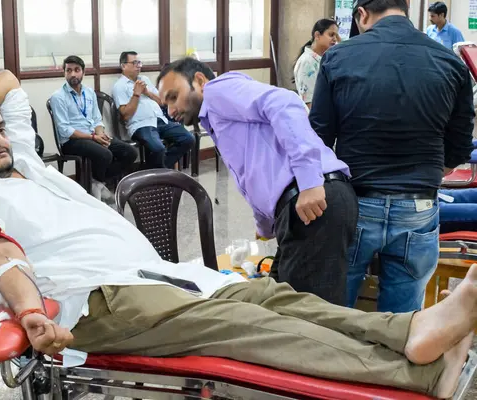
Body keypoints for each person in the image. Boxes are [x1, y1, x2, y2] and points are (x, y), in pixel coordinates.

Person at [0, 69, 477, 399]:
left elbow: (9, 84)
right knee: (249, 324)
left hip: (163, 277)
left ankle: (409, 331)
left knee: (272, 294)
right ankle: (416, 374)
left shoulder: (23, 156)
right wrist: (30, 313)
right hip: (100, 301)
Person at [309, 0, 475, 313]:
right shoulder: (450, 61)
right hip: (419, 206)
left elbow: (318, 139)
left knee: (336, 317)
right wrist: (428, 171)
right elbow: (459, 146)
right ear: (407, 8)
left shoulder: (338, 56)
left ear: (361, 14)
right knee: (401, 325)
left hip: (355, 204)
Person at [156, 58, 357, 306]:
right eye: (165, 104)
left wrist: (309, 180)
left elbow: (284, 102)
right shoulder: (218, 117)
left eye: (173, 97)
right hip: (301, 206)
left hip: (313, 199)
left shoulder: (218, 90)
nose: (170, 111)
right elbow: (252, 173)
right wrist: (264, 226)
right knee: (277, 305)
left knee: (306, 322)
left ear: (199, 80)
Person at [50, 55, 137, 201]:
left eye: (76, 70)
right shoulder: (58, 97)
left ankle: (96, 182)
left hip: (93, 136)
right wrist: (93, 137)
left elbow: (97, 119)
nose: (72, 74)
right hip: (72, 141)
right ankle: (97, 184)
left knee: (130, 152)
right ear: (64, 73)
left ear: (83, 73)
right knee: (105, 154)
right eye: (68, 70)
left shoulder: (89, 93)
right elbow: (65, 130)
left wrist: (101, 134)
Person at [112, 51, 194, 169]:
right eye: (134, 63)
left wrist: (147, 92)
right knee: (158, 149)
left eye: (139, 62)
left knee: (187, 139)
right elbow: (125, 115)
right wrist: (136, 94)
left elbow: (162, 102)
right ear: (123, 66)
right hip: (141, 125)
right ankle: (159, 174)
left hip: (160, 121)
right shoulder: (119, 86)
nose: (138, 66)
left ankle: (156, 172)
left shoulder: (144, 79)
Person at [293, 19, 339, 108]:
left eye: (336, 36)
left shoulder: (324, 59)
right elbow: (309, 103)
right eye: (331, 35)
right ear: (317, 35)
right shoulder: (307, 62)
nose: (335, 39)